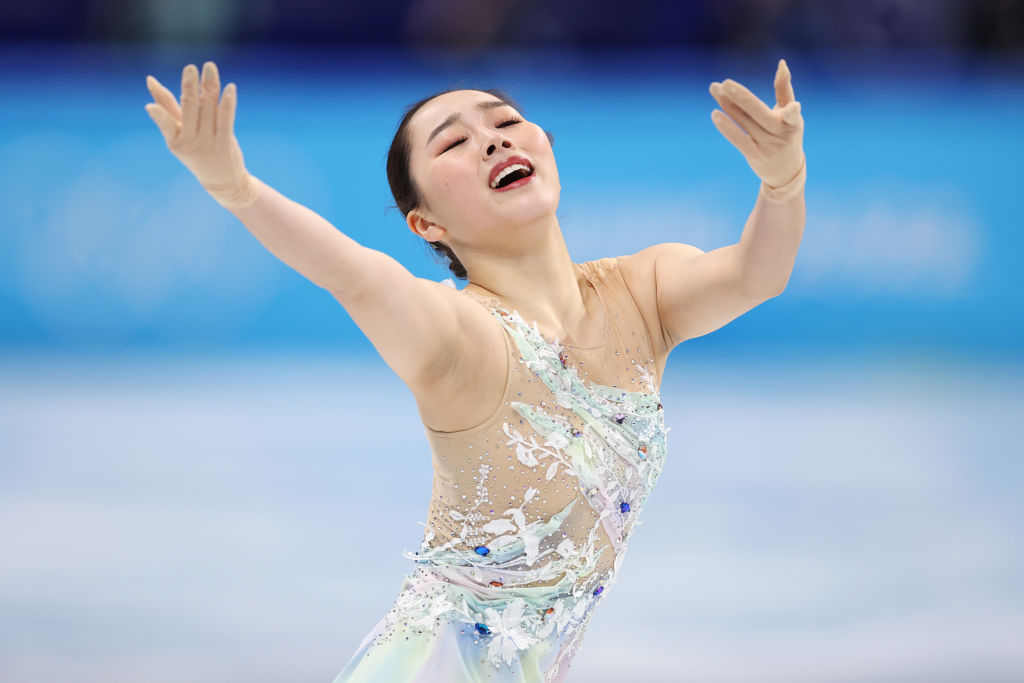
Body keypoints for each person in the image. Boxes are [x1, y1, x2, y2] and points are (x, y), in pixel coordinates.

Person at [144, 59, 805, 682]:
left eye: (506, 123)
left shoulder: (644, 291)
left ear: (546, 149)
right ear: (425, 222)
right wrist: (235, 187)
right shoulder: (457, 337)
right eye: (453, 143)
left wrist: (784, 183)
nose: (491, 141)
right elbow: (350, 273)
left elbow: (756, 275)